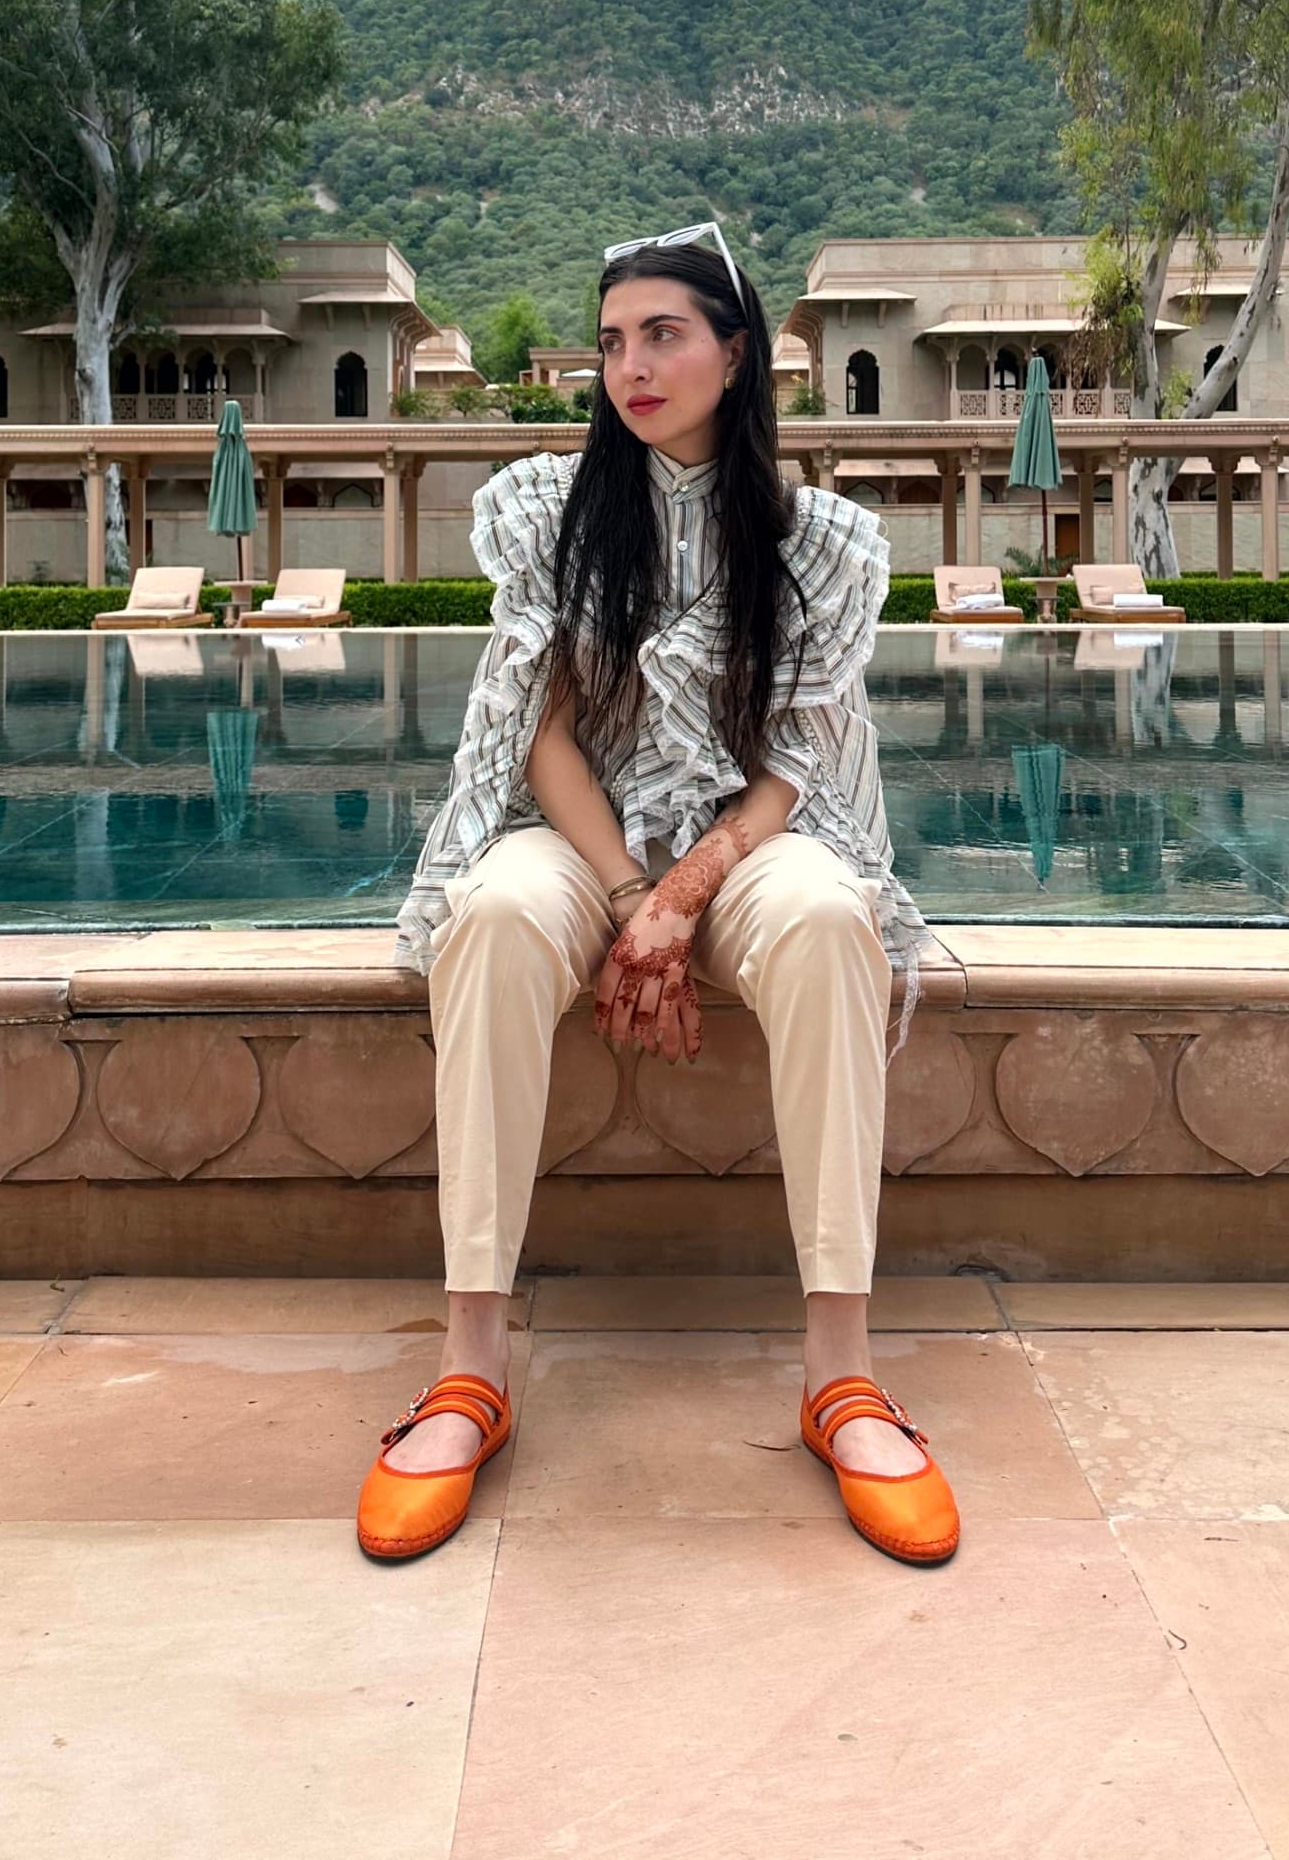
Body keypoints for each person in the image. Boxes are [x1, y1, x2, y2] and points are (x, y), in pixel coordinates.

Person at [357, 220, 959, 1568]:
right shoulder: (551, 515)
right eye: (616, 339)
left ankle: (841, 1373)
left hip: (744, 839)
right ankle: (470, 1366)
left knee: (822, 918)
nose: (631, 364)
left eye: (664, 334)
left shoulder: (819, 544)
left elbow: (792, 764)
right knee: (501, 914)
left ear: (735, 354)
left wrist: (687, 890)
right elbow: (544, 732)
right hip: (583, 833)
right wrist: (633, 889)